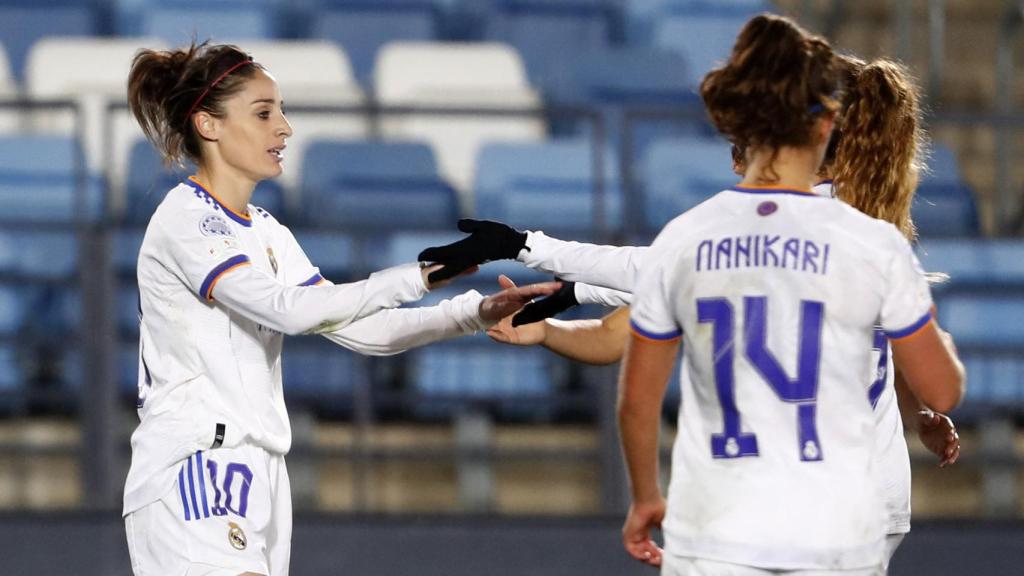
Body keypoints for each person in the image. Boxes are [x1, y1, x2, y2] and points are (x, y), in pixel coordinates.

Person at [422, 56, 960, 569]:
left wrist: (525, 245)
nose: (734, 158)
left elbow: (654, 274)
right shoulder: (877, 235)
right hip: (867, 497)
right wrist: (922, 417)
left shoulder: (748, 228)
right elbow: (903, 359)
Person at [121, 42, 559, 576]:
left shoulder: (265, 230)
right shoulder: (187, 219)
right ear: (208, 125)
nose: (284, 128)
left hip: (259, 470)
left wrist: (473, 311)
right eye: (264, 113)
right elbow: (289, 310)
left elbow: (361, 330)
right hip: (197, 461)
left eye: (282, 111)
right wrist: (415, 277)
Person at [620, 14, 963, 573]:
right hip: (840, 514)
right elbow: (940, 388)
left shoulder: (690, 234)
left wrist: (644, 496)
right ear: (825, 126)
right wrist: (928, 349)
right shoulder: (873, 241)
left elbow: (637, 399)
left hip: (725, 515)